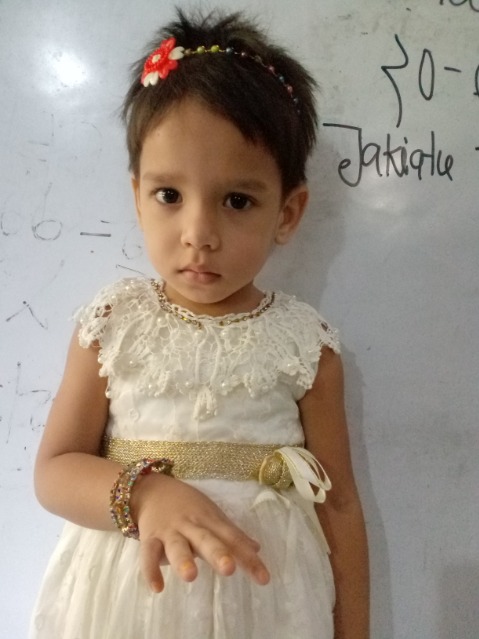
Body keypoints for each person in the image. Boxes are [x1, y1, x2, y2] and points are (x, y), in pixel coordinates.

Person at [30, 8, 369, 639]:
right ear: (138, 197)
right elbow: (54, 471)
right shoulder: (114, 325)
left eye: (237, 200)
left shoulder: (305, 345)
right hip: (134, 599)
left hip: (266, 603)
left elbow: (341, 505)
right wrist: (144, 494)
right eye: (169, 195)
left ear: (287, 213)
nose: (199, 234)